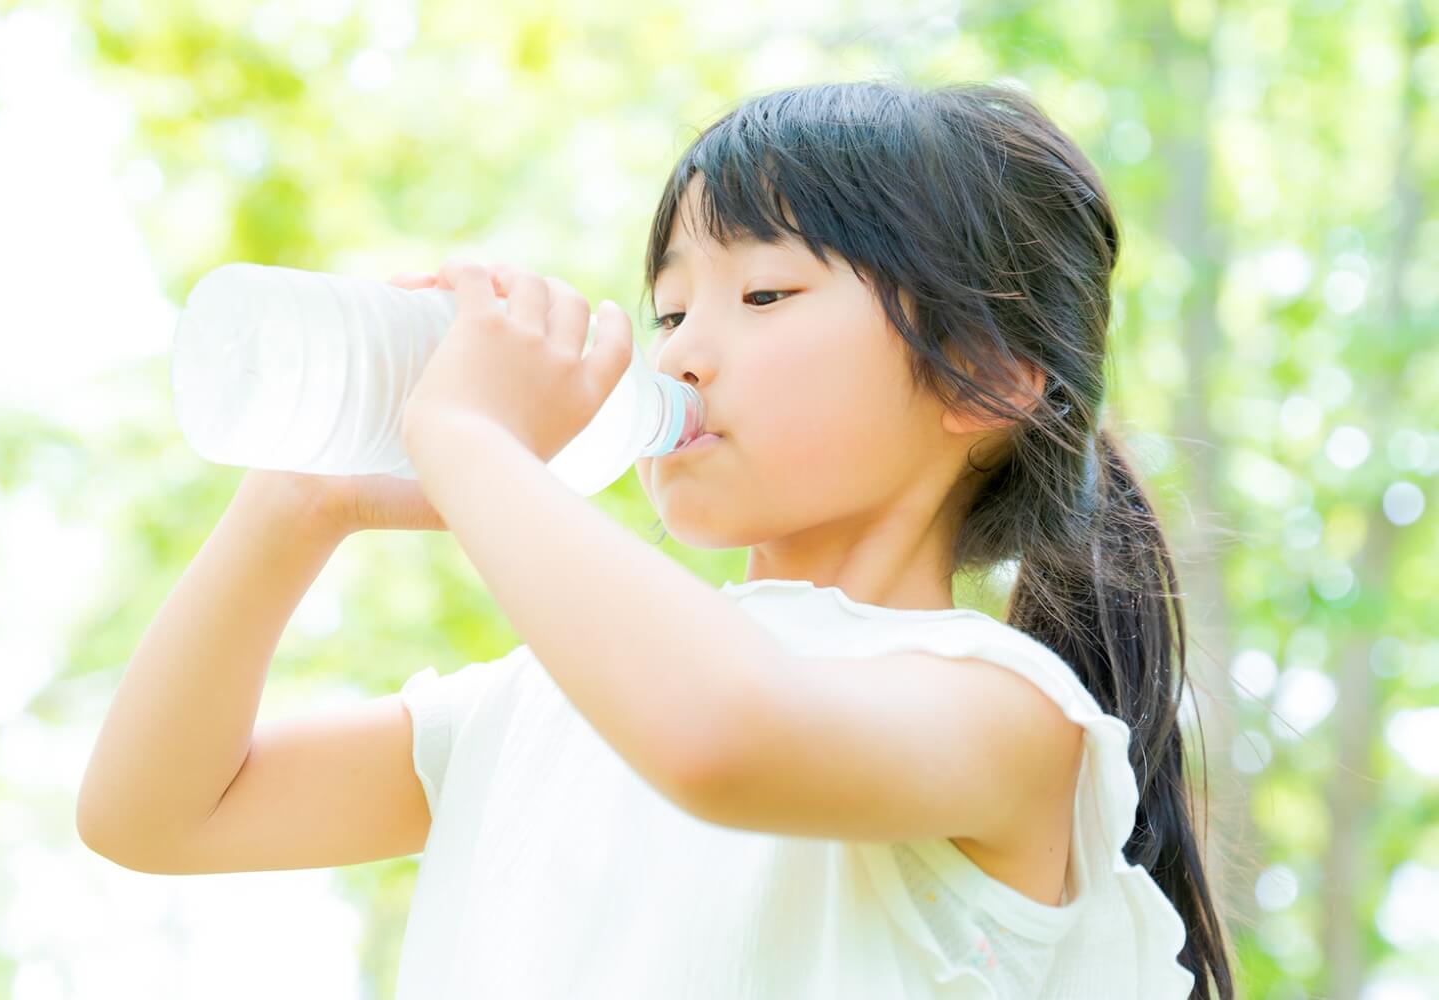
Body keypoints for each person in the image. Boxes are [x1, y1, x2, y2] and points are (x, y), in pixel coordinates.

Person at [77, 79, 1236, 999]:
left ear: (980, 379)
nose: (680, 352)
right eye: (670, 309)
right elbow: (158, 811)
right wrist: (303, 500)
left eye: (765, 296)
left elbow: (721, 735)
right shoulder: (531, 708)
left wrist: (467, 435)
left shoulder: (1005, 712)